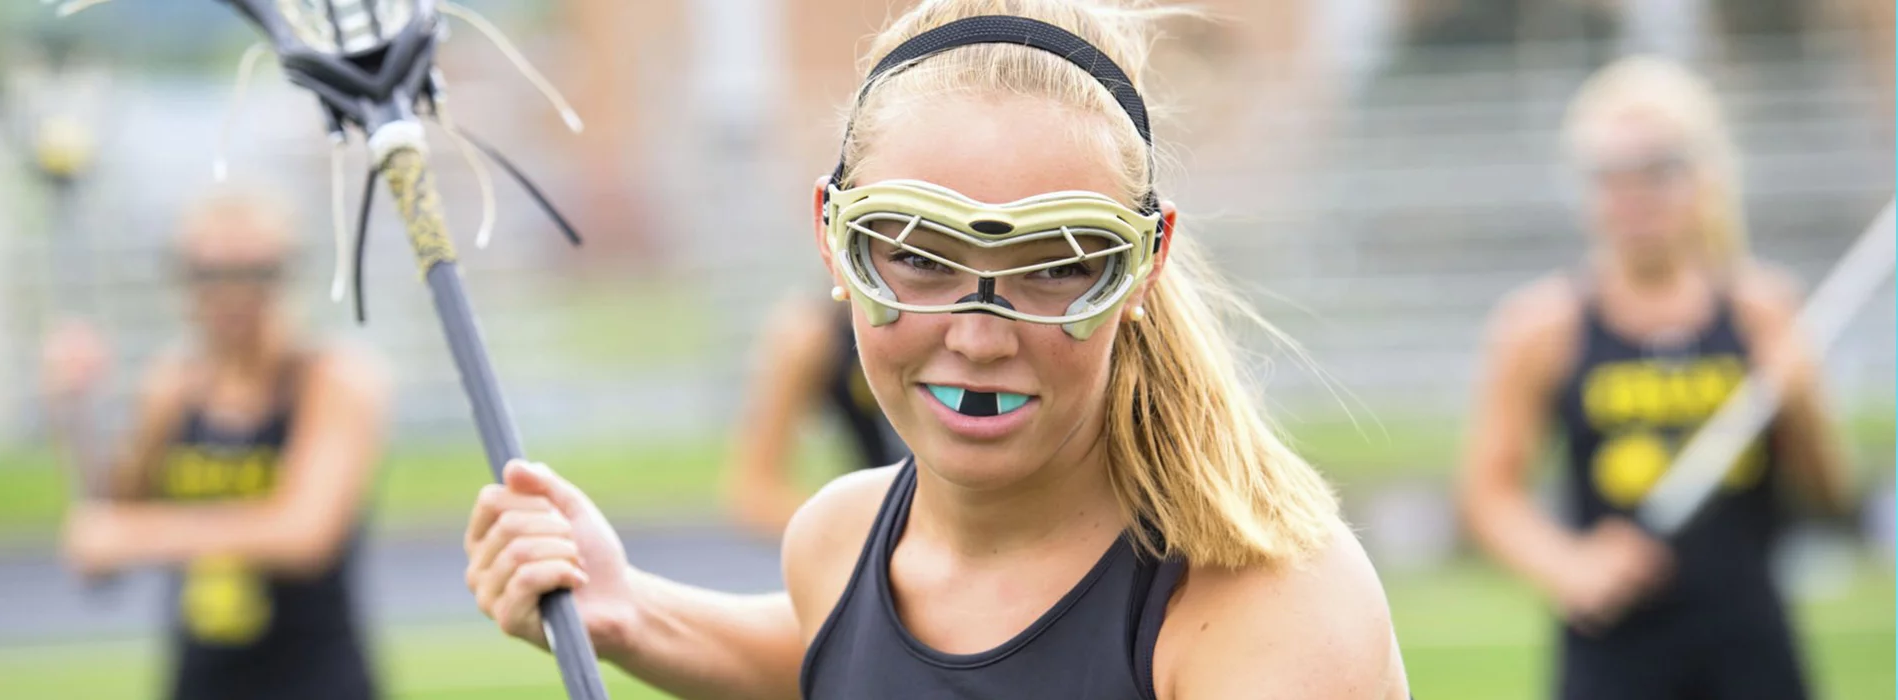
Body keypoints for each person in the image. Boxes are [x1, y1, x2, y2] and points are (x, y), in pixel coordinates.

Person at [464, 1, 1410, 698]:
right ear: (833, 240)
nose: (978, 336)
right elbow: (838, 653)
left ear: (1146, 263)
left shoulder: (1267, 602)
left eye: (1055, 266)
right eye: (916, 257)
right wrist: (629, 610)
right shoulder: (839, 543)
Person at [1458, 56, 1849, 700]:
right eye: (1610, 173)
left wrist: (1803, 401)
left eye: (1656, 169)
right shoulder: (1542, 327)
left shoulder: (1764, 311)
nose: (1632, 193)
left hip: (1751, 648)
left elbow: (1828, 495)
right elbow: (1487, 495)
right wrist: (1567, 564)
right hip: (1614, 654)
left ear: (1703, 176)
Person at [42, 187, 391, 700]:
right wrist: (74, 410)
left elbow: (304, 533)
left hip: (318, 681)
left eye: (252, 273)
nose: (231, 295)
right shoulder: (173, 387)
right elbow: (107, 528)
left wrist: (134, 536)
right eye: (210, 274)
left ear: (285, 275)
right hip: (201, 681)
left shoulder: (331, 381)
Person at [722, 296, 907, 537]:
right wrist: (876, 539)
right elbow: (754, 490)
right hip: (889, 539)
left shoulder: (962, 328)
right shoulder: (814, 333)